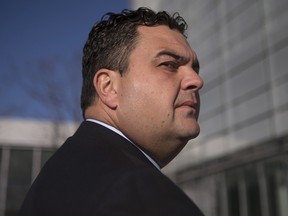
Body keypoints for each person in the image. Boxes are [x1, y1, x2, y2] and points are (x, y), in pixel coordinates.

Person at [19, 7, 204, 216]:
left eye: (194, 69)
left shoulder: (63, 177)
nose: (196, 81)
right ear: (108, 87)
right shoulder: (136, 190)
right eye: (169, 64)